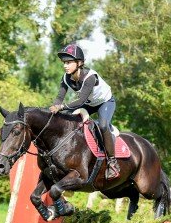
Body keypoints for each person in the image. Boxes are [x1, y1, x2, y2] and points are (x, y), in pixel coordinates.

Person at [49, 43, 120, 180]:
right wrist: (52, 111)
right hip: (89, 103)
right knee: (66, 119)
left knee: (103, 125)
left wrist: (61, 107)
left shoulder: (90, 77)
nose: (65, 66)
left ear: (79, 63)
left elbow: (80, 101)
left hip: (105, 102)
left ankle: (112, 162)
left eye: (69, 62)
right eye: (64, 62)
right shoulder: (66, 78)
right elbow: (59, 98)